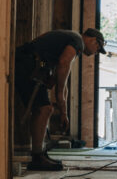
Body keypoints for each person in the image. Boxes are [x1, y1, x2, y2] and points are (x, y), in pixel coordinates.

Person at [15, 28, 106, 171]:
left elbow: (62, 75)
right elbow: (63, 64)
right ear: (94, 40)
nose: (95, 53)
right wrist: (59, 97)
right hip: (26, 63)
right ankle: (37, 157)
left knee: (42, 109)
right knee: (44, 109)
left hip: (27, 61)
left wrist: (64, 111)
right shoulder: (77, 42)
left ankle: (39, 154)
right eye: (97, 49)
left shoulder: (69, 37)